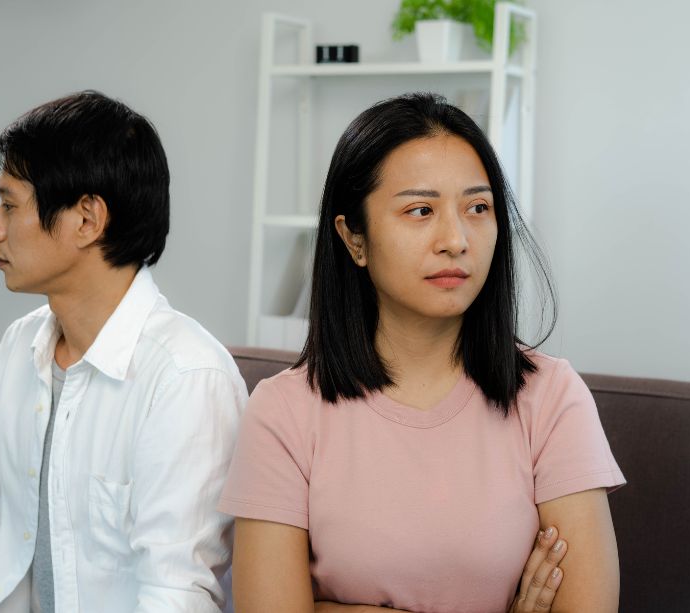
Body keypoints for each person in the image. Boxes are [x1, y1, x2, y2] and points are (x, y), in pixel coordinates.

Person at [218, 92, 625, 613]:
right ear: (354, 238)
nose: (455, 239)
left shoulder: (550, 397)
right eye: (420, 210)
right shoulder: (282, 412)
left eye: (478, 208)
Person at [0, 91, 247, 612]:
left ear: (87, 220)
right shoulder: (21, 346)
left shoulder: (187, 379)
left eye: (10, 205)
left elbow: (175, 597)